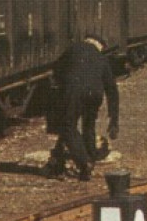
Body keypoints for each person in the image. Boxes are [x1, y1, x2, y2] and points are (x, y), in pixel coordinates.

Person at [43, 35, 119, 182]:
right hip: (95, 94)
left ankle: (84, 162)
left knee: (68, 126)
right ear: (99, 45)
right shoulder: (101, 58)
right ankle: (90, 160)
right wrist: (114, 118)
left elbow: (56, 70)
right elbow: (112, 89)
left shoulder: (74, 48)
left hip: (74, 91)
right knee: (89, 126)